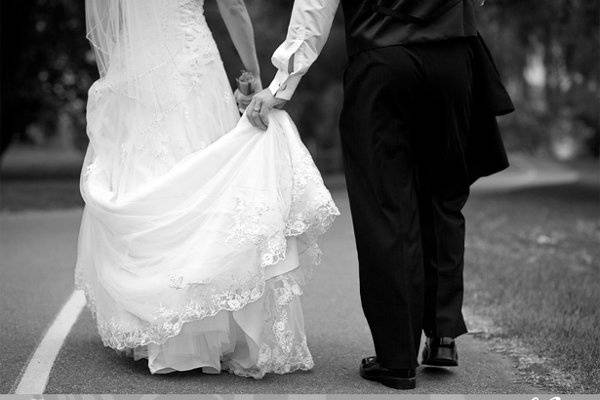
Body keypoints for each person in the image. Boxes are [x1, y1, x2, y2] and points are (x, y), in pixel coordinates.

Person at [247, 0, 514, 390]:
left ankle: (397, 358)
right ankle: (442, 334)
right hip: (452, 59)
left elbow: (315, 7)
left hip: (382, 59)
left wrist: (282, 85)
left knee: (385, 205)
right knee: (443, 194)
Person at [75, 0, 338, 378]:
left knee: (151, 176)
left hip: (137, 68)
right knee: (204, 185)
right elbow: (232, 6)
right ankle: (197, 328)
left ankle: (157, 327)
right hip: (189, 66)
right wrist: (255, 76)